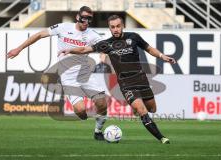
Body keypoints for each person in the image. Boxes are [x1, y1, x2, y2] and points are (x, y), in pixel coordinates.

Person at [59, 15, 177, 144]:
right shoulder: (106, 44)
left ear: (123, 26)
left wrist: (163, 56)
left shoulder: (134, 37)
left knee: (152, 109)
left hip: (141, 79)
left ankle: (136, 109)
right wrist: (70, 50)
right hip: (126, 84)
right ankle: (162, 138)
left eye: (118, 26)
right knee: (142, 110)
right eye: (112, 27)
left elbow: (149, 49)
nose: (115, 29)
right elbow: (85, 49)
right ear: (109, 28)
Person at [7, 6, 108, 141]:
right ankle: (83, 113)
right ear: (78, 17)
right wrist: (18, 49)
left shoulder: (93, 35)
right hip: (68, 77)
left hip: (86, 75)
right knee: (81, 112)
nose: (87, 21)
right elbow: (39, 35)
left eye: (90, 19)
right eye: (84, 18)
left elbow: (106, 47)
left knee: (102, 103)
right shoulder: (63, 27)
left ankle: (97, 131)